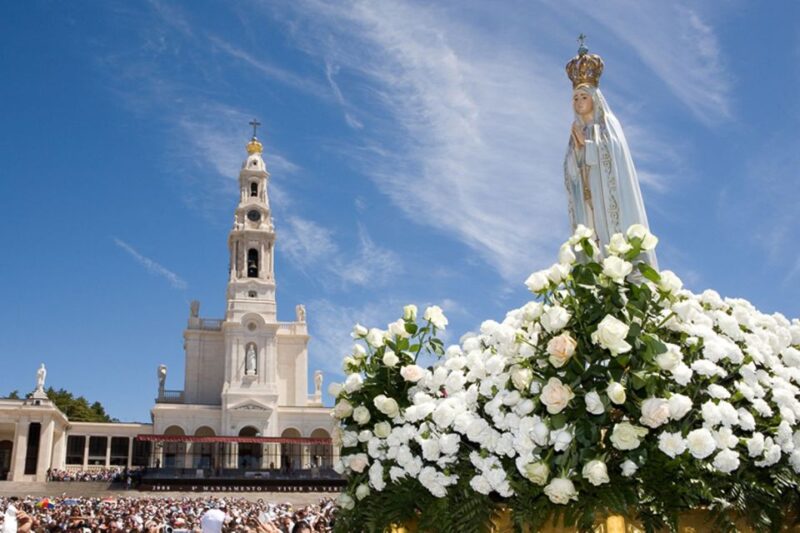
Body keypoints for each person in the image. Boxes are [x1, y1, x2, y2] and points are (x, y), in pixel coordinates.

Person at [564, 39, 657, 267]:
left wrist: (589, 149)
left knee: (613, 246)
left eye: (583, 97)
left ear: (594, 99)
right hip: (587, 201)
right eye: (575, 98)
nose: (578, 102)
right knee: (591, 245)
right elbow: (570, 172)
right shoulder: (576, 131)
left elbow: (615, 155)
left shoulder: (608, 125)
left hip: (608, 201)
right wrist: (576, 155)